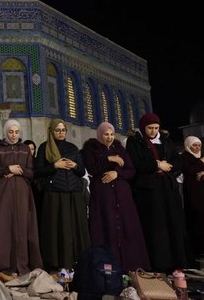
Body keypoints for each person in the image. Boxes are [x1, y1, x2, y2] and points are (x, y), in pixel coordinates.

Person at [81, 121, 150, 272]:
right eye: (106, 134)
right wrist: (108, 159)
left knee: (126, 228)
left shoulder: (120, 149)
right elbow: (91, 167)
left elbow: (131, 170)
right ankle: (108, 265)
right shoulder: (90, 149)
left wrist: (117, 173)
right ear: (100, 134)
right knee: (107, 227)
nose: (109, 137)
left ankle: (131, 264)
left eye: (111, 134)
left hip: (122, 196)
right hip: (103, 197)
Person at [125, 113, 188, 273]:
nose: (153, 131)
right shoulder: (135, 141)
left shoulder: (166, 140)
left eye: (156, 128)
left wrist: (169, 167)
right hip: (149, 192)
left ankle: (177, 261)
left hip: (167, 188)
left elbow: (177, 161)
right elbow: (136, 164)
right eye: (150, 128)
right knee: (155, 226)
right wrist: (156, 166)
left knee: (172, 224)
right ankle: (158, 262)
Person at [0, 119, 43, 275]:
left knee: (23, 226)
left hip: (23, 193)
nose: (14, 135)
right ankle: (3, 264)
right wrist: (7, 169)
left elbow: (32, 173)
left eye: (17, 132)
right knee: (3, 226)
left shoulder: (25, 149)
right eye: (11, 132)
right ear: (6, 132)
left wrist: (20, 171)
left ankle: (22, 264)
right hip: (4, 193)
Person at [34, 119, 89, 271]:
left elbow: (82, 171)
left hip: (73, 193)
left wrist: (75, 165)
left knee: (73, 229)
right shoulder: (44, 148)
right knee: (56, 230)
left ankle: (76, 261)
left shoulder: (72, 148)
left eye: (63, 130)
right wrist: (55, 166)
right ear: (51, 131)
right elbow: (38, 171)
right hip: (54, 194)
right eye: (57, 130)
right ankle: (55, 263)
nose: (61, 133)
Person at [181, 135, 204, 260]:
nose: (197, 148)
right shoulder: (184, 157)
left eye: (199, 145)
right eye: (194, 145)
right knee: (196, 219)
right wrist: (201, 162)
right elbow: (190, 170)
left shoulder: (201, 156)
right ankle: (198, 250)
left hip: (202, 191)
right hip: (193, 193)